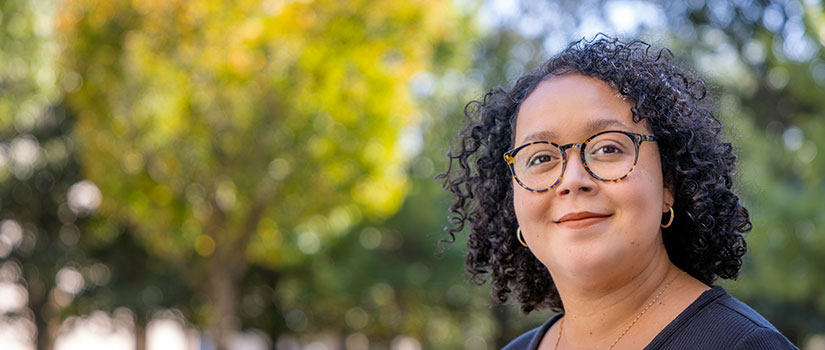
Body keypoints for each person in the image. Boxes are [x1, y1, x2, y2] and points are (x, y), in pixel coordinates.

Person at [439, 35, 797, 349]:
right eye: (541, 157)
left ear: (668, 184)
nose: (572, 179)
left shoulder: (741, 344)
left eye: (609, 148)